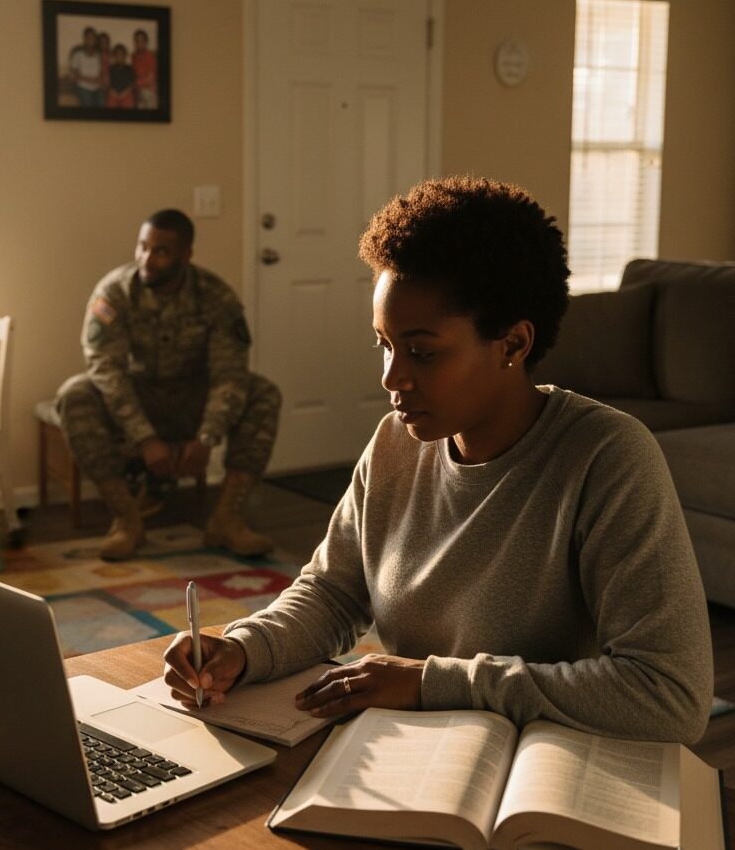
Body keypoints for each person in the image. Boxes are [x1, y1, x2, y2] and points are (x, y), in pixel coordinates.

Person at [163, 176, 713, 744]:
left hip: (540, 779)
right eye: (385, 344)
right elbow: (333, 592)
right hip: (424, 754)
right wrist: (243, 648)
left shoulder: (606, 458)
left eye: (422, 352)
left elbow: (671, 695)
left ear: (513, 345)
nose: (391, 377)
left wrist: (433, 683)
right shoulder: (395, 444)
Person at [55, 208, 281, 562]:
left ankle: (227, 518)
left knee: (263, 393)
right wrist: (145, 437)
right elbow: (106, 369)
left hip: (193, 399)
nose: (147, 258)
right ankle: (127, 520)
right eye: (142, 247)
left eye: (160, 251)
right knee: (75, 395)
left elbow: (230, 372)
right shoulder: (114, 293)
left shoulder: (216, 297)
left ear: (185, 255)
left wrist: (207, 436)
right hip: (139, 400)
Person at [67, 26, 103, 108]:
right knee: (88, 105)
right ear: (84, 39)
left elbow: (103, 71)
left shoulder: (99, 55)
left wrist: (99, 79)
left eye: (93, 38)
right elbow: (73, 74)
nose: (91, 40)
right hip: (83, 87)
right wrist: (90, 80)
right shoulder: (78, 54)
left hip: (98, 87)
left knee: (102, 103)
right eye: (88, 38)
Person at [131, 28, 157, 109]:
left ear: (146, 42)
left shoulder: (150, 56)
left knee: (146, 95)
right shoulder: (133, 56)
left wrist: (137, 84)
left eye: (141, 41)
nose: (139, 43)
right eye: (137, 41)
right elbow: (131, 75)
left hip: (148, 88)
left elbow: (151, 78)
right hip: (136, 89)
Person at [105, 43, 135, 109]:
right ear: (114, 56)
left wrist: (124, 93)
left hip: (126, 93)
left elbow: (132, 84)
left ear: (125, 56)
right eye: (117, 54)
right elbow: (108, 83)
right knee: (110, 102)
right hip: (113, 93)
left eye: (121, 54)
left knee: (128, 101)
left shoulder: (129, 69)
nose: (119, 56)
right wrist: (113, 92)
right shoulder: (111, 68)